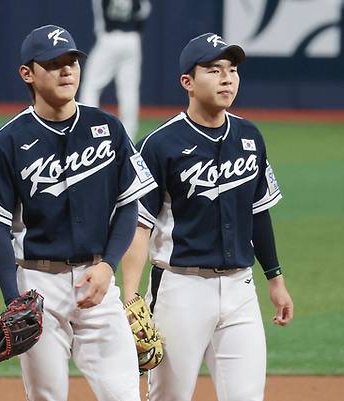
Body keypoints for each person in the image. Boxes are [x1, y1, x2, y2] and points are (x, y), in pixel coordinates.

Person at [0, 25, 157, 401]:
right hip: (39, 288)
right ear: (28, 74)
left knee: (125, 395)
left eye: (71, 62)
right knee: (46, 396)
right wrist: (13, 300)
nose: (67, 70)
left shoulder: (107, 128)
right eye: (54, 64)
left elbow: (128, 204)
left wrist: (108, 266)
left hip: (99, 282)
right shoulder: (8, 140)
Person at [121, 33, 294, 401]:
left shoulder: (250, 136)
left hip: (240, 290)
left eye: (232, 70)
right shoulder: (159, 144)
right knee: (169, 397)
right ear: (188, 81)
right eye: (214, 71)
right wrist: (131, 294)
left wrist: (275, 278)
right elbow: (140, 224)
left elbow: (258, 212)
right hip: (180, 289)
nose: (227, 79)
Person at [79, 0, 152, 141]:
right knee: (129, 89)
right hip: (132, 38)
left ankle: (85, 127)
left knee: (91, 86)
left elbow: (99, 17)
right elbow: (144, 10)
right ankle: (128, 135)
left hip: (109, 37)